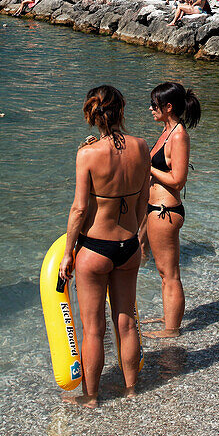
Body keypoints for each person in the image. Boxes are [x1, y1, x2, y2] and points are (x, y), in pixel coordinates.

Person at [58, 86, 150, 407]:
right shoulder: (142, 147)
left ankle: (91, 397)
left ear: (91, 114)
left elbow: (79, 210)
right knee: (125, 323)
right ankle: (131, 389)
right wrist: (134, 235)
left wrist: (68, 252)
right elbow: (143, 202)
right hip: (128, 246)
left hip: (95, 249)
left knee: (93, 329)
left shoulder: (87, 153)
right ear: (122, 110)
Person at [141, 82, 201, 338]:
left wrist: (147, 167)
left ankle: (172, 329)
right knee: (163, 272)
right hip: (154, 209)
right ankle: (169, 316)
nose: (151, 109)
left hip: (165, 211)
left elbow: (178, 180)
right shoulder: (166, 131)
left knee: (169, 273)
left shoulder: (178, 135)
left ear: (168, 107)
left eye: (155, 105)